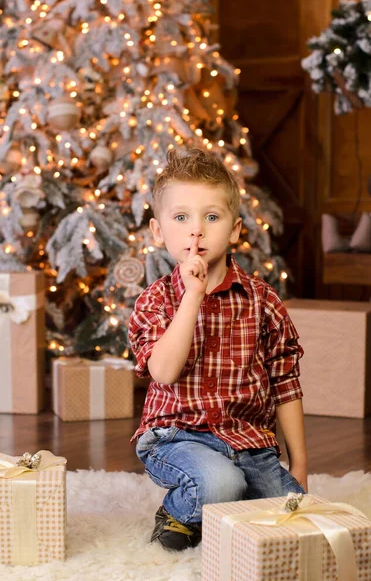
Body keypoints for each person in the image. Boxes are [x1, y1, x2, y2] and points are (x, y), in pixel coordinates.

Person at [128, 147, 308, 552]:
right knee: (221, 483)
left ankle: (225, 507)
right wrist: (192, 296)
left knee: (293, 519)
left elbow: (285, 384)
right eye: (181, 218)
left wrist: (299, 463)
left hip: (249, 441)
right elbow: (164, 372)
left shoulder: (261, 300)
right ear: (159, 232)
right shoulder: (155, 301)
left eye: (211, 217)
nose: (196, 231)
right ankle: (179, 510)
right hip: (177, 437)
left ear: (234, 230)